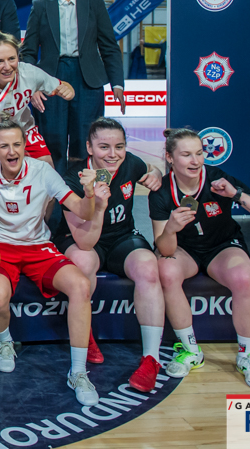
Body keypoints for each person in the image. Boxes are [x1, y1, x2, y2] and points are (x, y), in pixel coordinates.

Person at [0, 118, 102, 406]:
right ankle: (4, 342)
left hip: (38, 247)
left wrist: (89, 194)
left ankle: (78, 372)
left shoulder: (43, 171)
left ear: (25, 145)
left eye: (17, 144)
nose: (11, 151)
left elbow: (83, 212)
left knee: (80, 285)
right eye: (4, 146)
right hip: (0, 246)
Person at [150, 128, 250, 391]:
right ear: (170, 157)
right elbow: (165, 249)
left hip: (221, 246)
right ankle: (191, 351)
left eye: (199, 153)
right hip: (184, 249)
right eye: (186, 155)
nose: (195, 161)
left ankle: (247, 356)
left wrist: (236, 196)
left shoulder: (218, 180)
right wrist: (171, 229)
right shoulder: (162, 192)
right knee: (165, 270)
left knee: (243, 277)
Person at [51, 117, 165, 392]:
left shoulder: (130, 164)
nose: (113, 154)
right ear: (89, 148)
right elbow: (85, 242)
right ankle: (86, 334)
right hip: (83, 238)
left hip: (121, 236)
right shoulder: (73, 179)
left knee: (149, 267)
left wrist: (156, 173)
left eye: (119, 147)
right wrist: (99, 206)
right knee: (83, 261)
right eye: (104, 147)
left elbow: (149, 168)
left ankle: (151, 359)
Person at [20, 0, 125, 174]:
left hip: (87, 79)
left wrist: (117, 83)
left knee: (85, 139)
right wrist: (32, 86)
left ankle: (81, 190)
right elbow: (28, 51)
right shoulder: (40, 5)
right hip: (50, 79)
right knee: (52, 139)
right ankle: (55, 193)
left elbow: (109, 46)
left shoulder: (95, 2)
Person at [0, 27, 74, 165]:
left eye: (12, 59)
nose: (7, 67)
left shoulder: (29, 73)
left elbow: (62, 86)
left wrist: (69, 92)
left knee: (47, 167)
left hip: (23, 129)